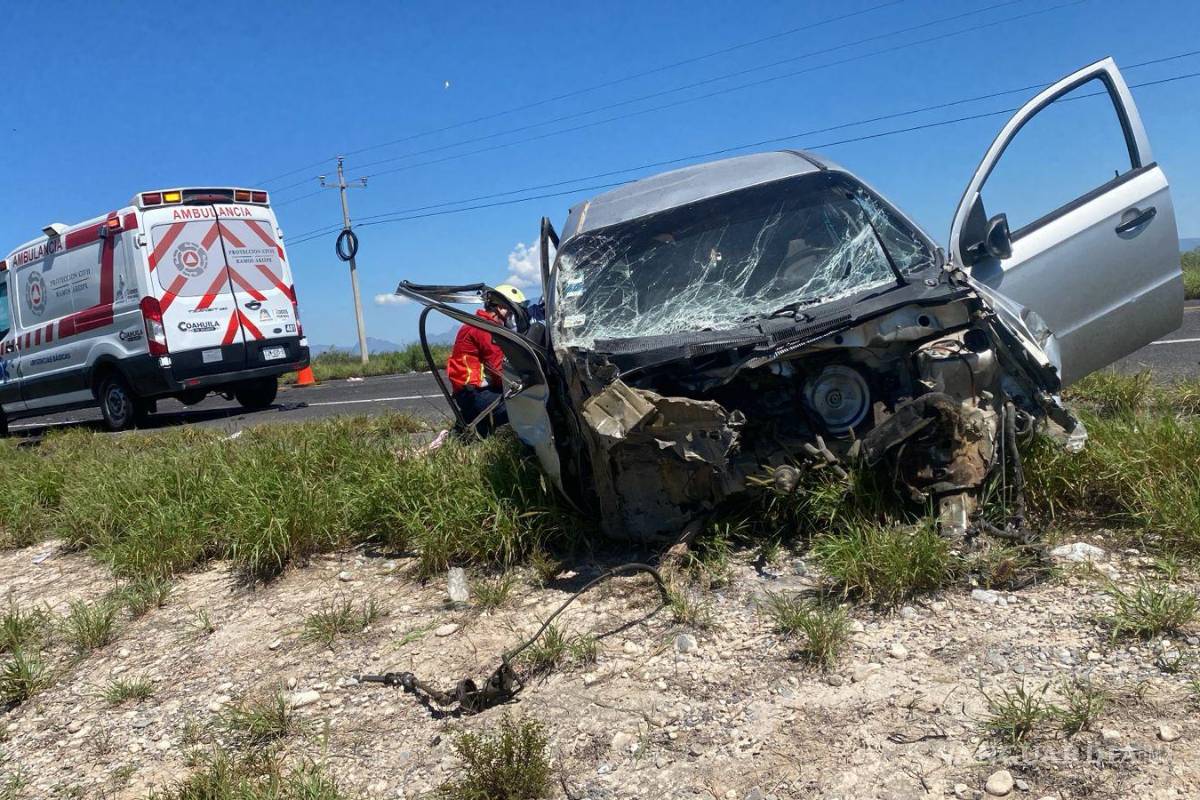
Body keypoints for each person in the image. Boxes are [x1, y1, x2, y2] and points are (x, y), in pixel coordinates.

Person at [446, 284, 526, 436]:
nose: (512, 314)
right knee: (524, 405)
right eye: (511, 309)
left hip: (471, 392)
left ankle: (469, 430)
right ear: (499, 307)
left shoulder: (482, 324)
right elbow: (499, 371)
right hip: (474, 394)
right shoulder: (484, 329)